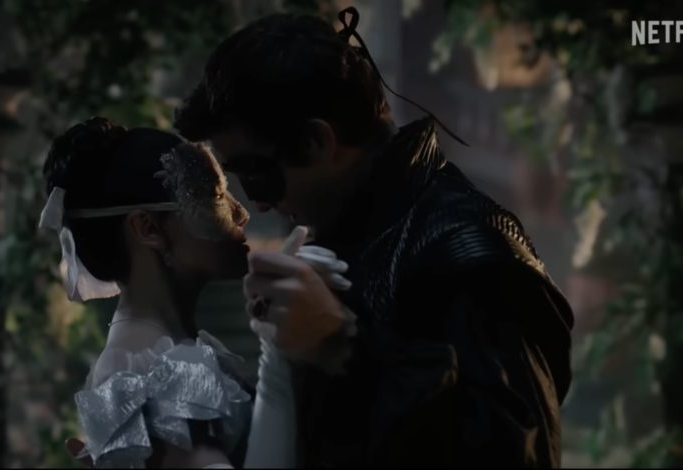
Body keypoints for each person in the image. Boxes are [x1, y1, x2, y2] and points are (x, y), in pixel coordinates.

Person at [173, 7, 575, 467]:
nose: (258, 204)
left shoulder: (467, 249)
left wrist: (341, 345)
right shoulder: (349, 233)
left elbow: (519, 454)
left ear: (316, 142)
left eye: (256, 175)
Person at [41, 117, 347, 468]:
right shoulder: (148, 368)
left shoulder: (167, 350)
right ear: (148, 228)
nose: (241, 213)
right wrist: (278, 361)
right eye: (214, 196)